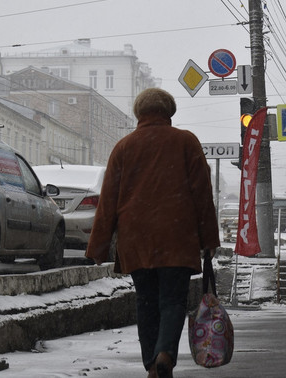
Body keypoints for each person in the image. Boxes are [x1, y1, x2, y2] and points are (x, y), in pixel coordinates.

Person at [85, 88, 220, 378]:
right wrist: (209, 239)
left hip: (136, 239)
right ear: (168, 111)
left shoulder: (124, 146)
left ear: (138, 113)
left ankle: (151, 365)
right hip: (176, 237)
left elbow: (108, 199)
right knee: (172, 300)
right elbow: (202, 193)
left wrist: (98, 246)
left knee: (146, 301)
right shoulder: (186, 141)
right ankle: (165, 355)